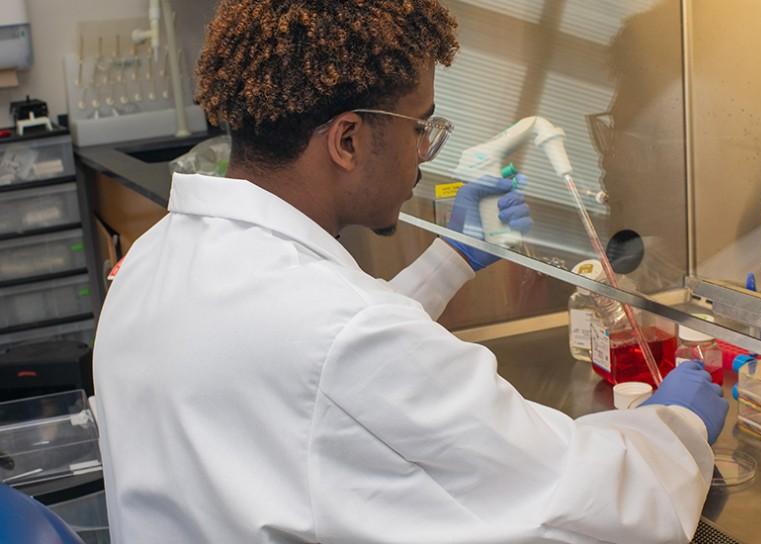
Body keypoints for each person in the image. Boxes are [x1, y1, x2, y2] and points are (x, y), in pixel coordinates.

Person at [93, 1, 727, 543]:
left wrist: (451, 259)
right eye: (421, 126)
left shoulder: (153, 260)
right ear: (347, 141)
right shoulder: (344, 336)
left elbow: (314, 373)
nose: (424, 153)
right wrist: (675, 428)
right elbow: (581, 502)